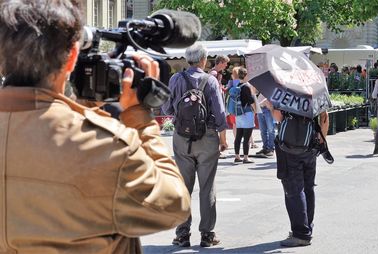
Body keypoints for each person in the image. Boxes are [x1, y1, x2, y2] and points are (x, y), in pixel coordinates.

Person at [0, 1, 191, 253]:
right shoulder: (106, 144)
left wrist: (85, 107)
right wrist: (139, 119)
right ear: (70, 60)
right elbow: (173, 206)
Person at [162, 43, 228, 248]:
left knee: (184, 187)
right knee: (207, 186)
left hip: (182, 138)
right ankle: (207, 235)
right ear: (203, 60)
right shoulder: (211, 81)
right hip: (207, 138)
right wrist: (223, 140)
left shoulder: (175, 79)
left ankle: (182, 234)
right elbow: (220, 114)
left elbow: (166, 107)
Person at [266, 101, 329, 247]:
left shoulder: (286, 91)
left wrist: (271, 106)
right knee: (308, 187)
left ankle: (301, 233)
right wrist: (322, 140)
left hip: (289, 148)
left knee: (294, 190)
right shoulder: (314, 90)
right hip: (310, 146)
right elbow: (325, 117)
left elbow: (278, 117)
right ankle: (307, 227)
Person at [233, 67, 256, 164]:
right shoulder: (246, 86)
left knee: (238, 136)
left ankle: (237, 156)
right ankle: (246, 157)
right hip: (247, 112)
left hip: (239, 113)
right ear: (246, 75)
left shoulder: (238, 85)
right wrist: (255, 110)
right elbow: (250, 100)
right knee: (247, 136)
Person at [255, 92, 275, 157]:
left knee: (271, 130)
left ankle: (271, 149)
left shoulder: (270, 84)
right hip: (259, 109)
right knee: (262, 131)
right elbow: (253, 93)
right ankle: (265, 148)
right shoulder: (258, 84)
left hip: (268, 109)